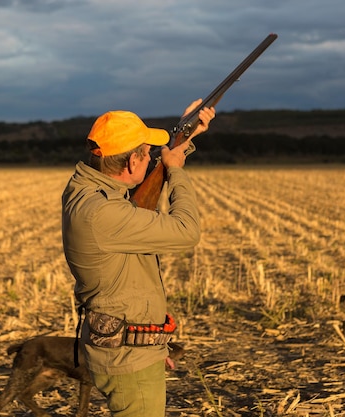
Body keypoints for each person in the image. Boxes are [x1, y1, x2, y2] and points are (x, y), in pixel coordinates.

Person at [61, 99, 215, 416]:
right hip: (129, 360)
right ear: (132, 162)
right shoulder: (103, 212)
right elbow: (187, 231)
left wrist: (183, 142)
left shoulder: (85, 188)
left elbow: (134, 195)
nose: (152, 158)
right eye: (147, 154)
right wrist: (175, 171)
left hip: (124, 347)